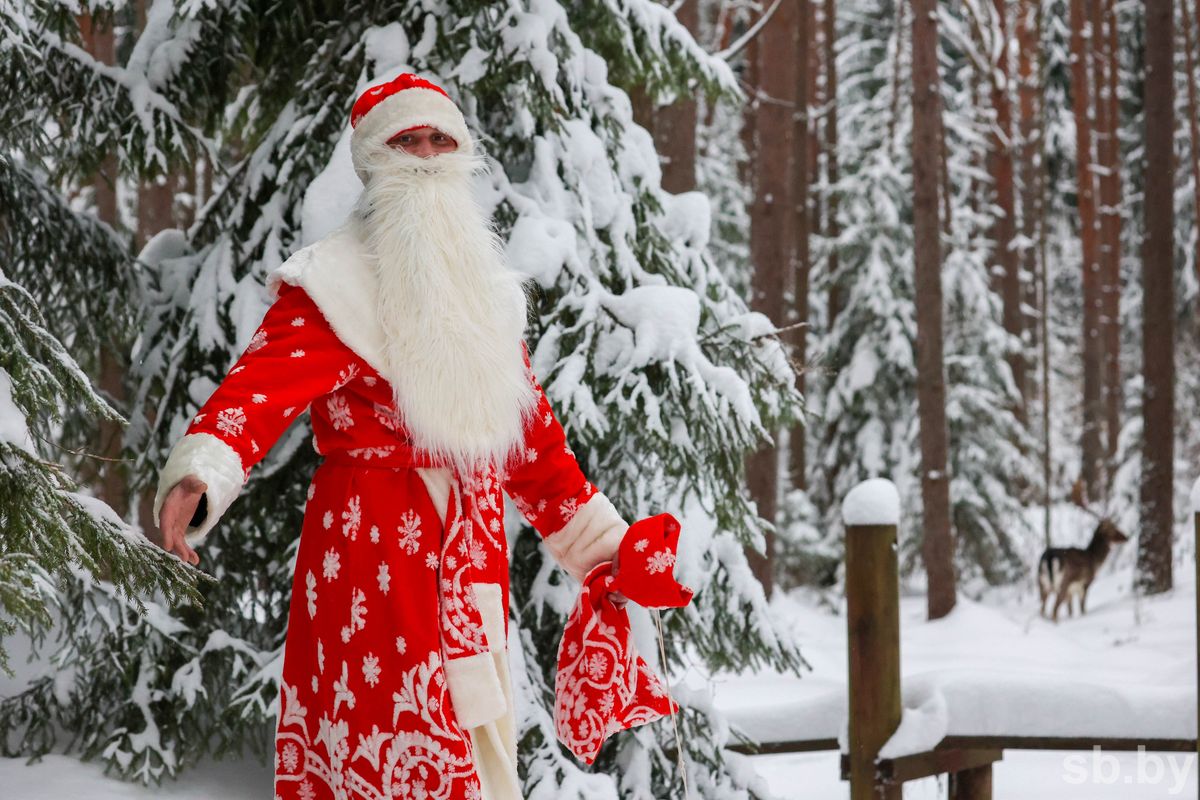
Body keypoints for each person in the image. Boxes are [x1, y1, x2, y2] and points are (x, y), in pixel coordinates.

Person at [153, 73, 630, 800]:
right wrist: (203, 472)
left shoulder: (486, 292)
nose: (428, 154)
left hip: (469, 558)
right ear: (374, 158)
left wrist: (604, 552)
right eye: (409, 139)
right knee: (390, 744)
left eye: (442, 139)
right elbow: (258, 388)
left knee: (474, 746)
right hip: (370, 549)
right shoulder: (332, 282)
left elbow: (530, 442)